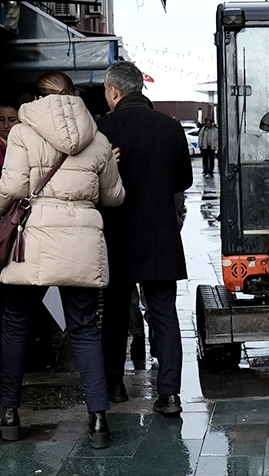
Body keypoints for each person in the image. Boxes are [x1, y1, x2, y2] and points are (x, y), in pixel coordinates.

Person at [0, 71, 125, 449]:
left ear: (38, 99)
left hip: (33, 240)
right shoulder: (99, 138)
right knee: (86, 330)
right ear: (73, 96)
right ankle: (99, 421)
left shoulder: (23, 133)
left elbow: (10, 189)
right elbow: (115, 196)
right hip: (82, 243)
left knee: (16, 327)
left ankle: (8, 414)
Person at [97, 61, 193, 416]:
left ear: (114, 91)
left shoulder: (103, 127)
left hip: (117, 231)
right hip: (159, 233)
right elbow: (183, 181)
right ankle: (169, 395)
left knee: (116, 313)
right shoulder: (169, 126)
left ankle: (114, 385)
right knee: (164, 312)